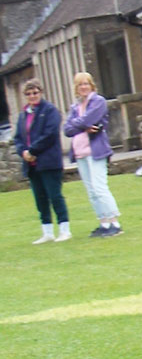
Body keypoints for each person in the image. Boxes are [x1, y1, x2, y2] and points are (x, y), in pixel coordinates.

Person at [62, 72, 123, 238]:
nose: (83, 87)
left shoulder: (98, 101)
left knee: (99, 187)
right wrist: (82, 126)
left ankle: (114, 222)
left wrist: (80, 125)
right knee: (91, 190)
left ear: (91, 85)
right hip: (80, 152)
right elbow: (67, 130)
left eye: (86, 84)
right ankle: (103, 222)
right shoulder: (75, 107)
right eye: (80, 84)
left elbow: (89, 120)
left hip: (96, 150)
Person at [14, 79, 70, 244]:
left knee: (55, 195)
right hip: (31, 164)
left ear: (41, 92)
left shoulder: (50, 110)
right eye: (29, 94)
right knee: (40, 198)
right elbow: (18, 138)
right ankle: (47, 231)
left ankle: (64, 229)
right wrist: (23, 152)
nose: (32, 96)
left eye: (35, 92)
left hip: (49, 161)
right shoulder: (23, 115)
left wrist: (33, 151)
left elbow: (50, 134)